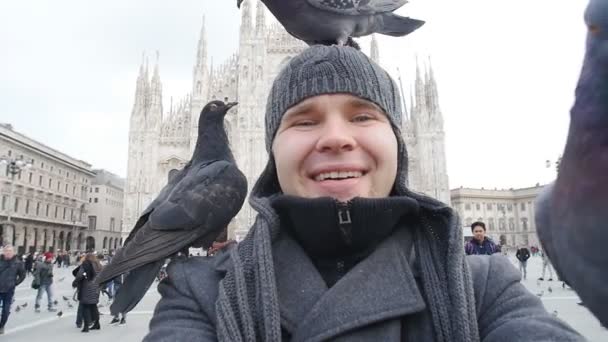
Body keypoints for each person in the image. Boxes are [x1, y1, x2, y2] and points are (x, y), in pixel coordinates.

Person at [144, 45, 582, 341]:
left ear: (399, 142)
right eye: (303, 120)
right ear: (270, 150)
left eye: (362, 116)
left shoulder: (481, 287)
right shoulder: (201, 294)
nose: (336, 139)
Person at [0, 245, 26, 335]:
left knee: (6, 310)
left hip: (9, 290)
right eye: (6, 251)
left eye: (10, 251)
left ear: (13, 252)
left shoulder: (18, 263)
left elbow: (23, 275)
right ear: (3, 252)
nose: (8, 252)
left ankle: (2, 325)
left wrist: (15, 283)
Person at [74, 253, 102, 333]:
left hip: (87, 287)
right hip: (96, 287)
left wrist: (75, 282)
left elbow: (79, 275)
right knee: (94, 306)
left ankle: (86, 326)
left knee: (85, 306)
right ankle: (97, 323)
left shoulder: (86, 264)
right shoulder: (99, 265)